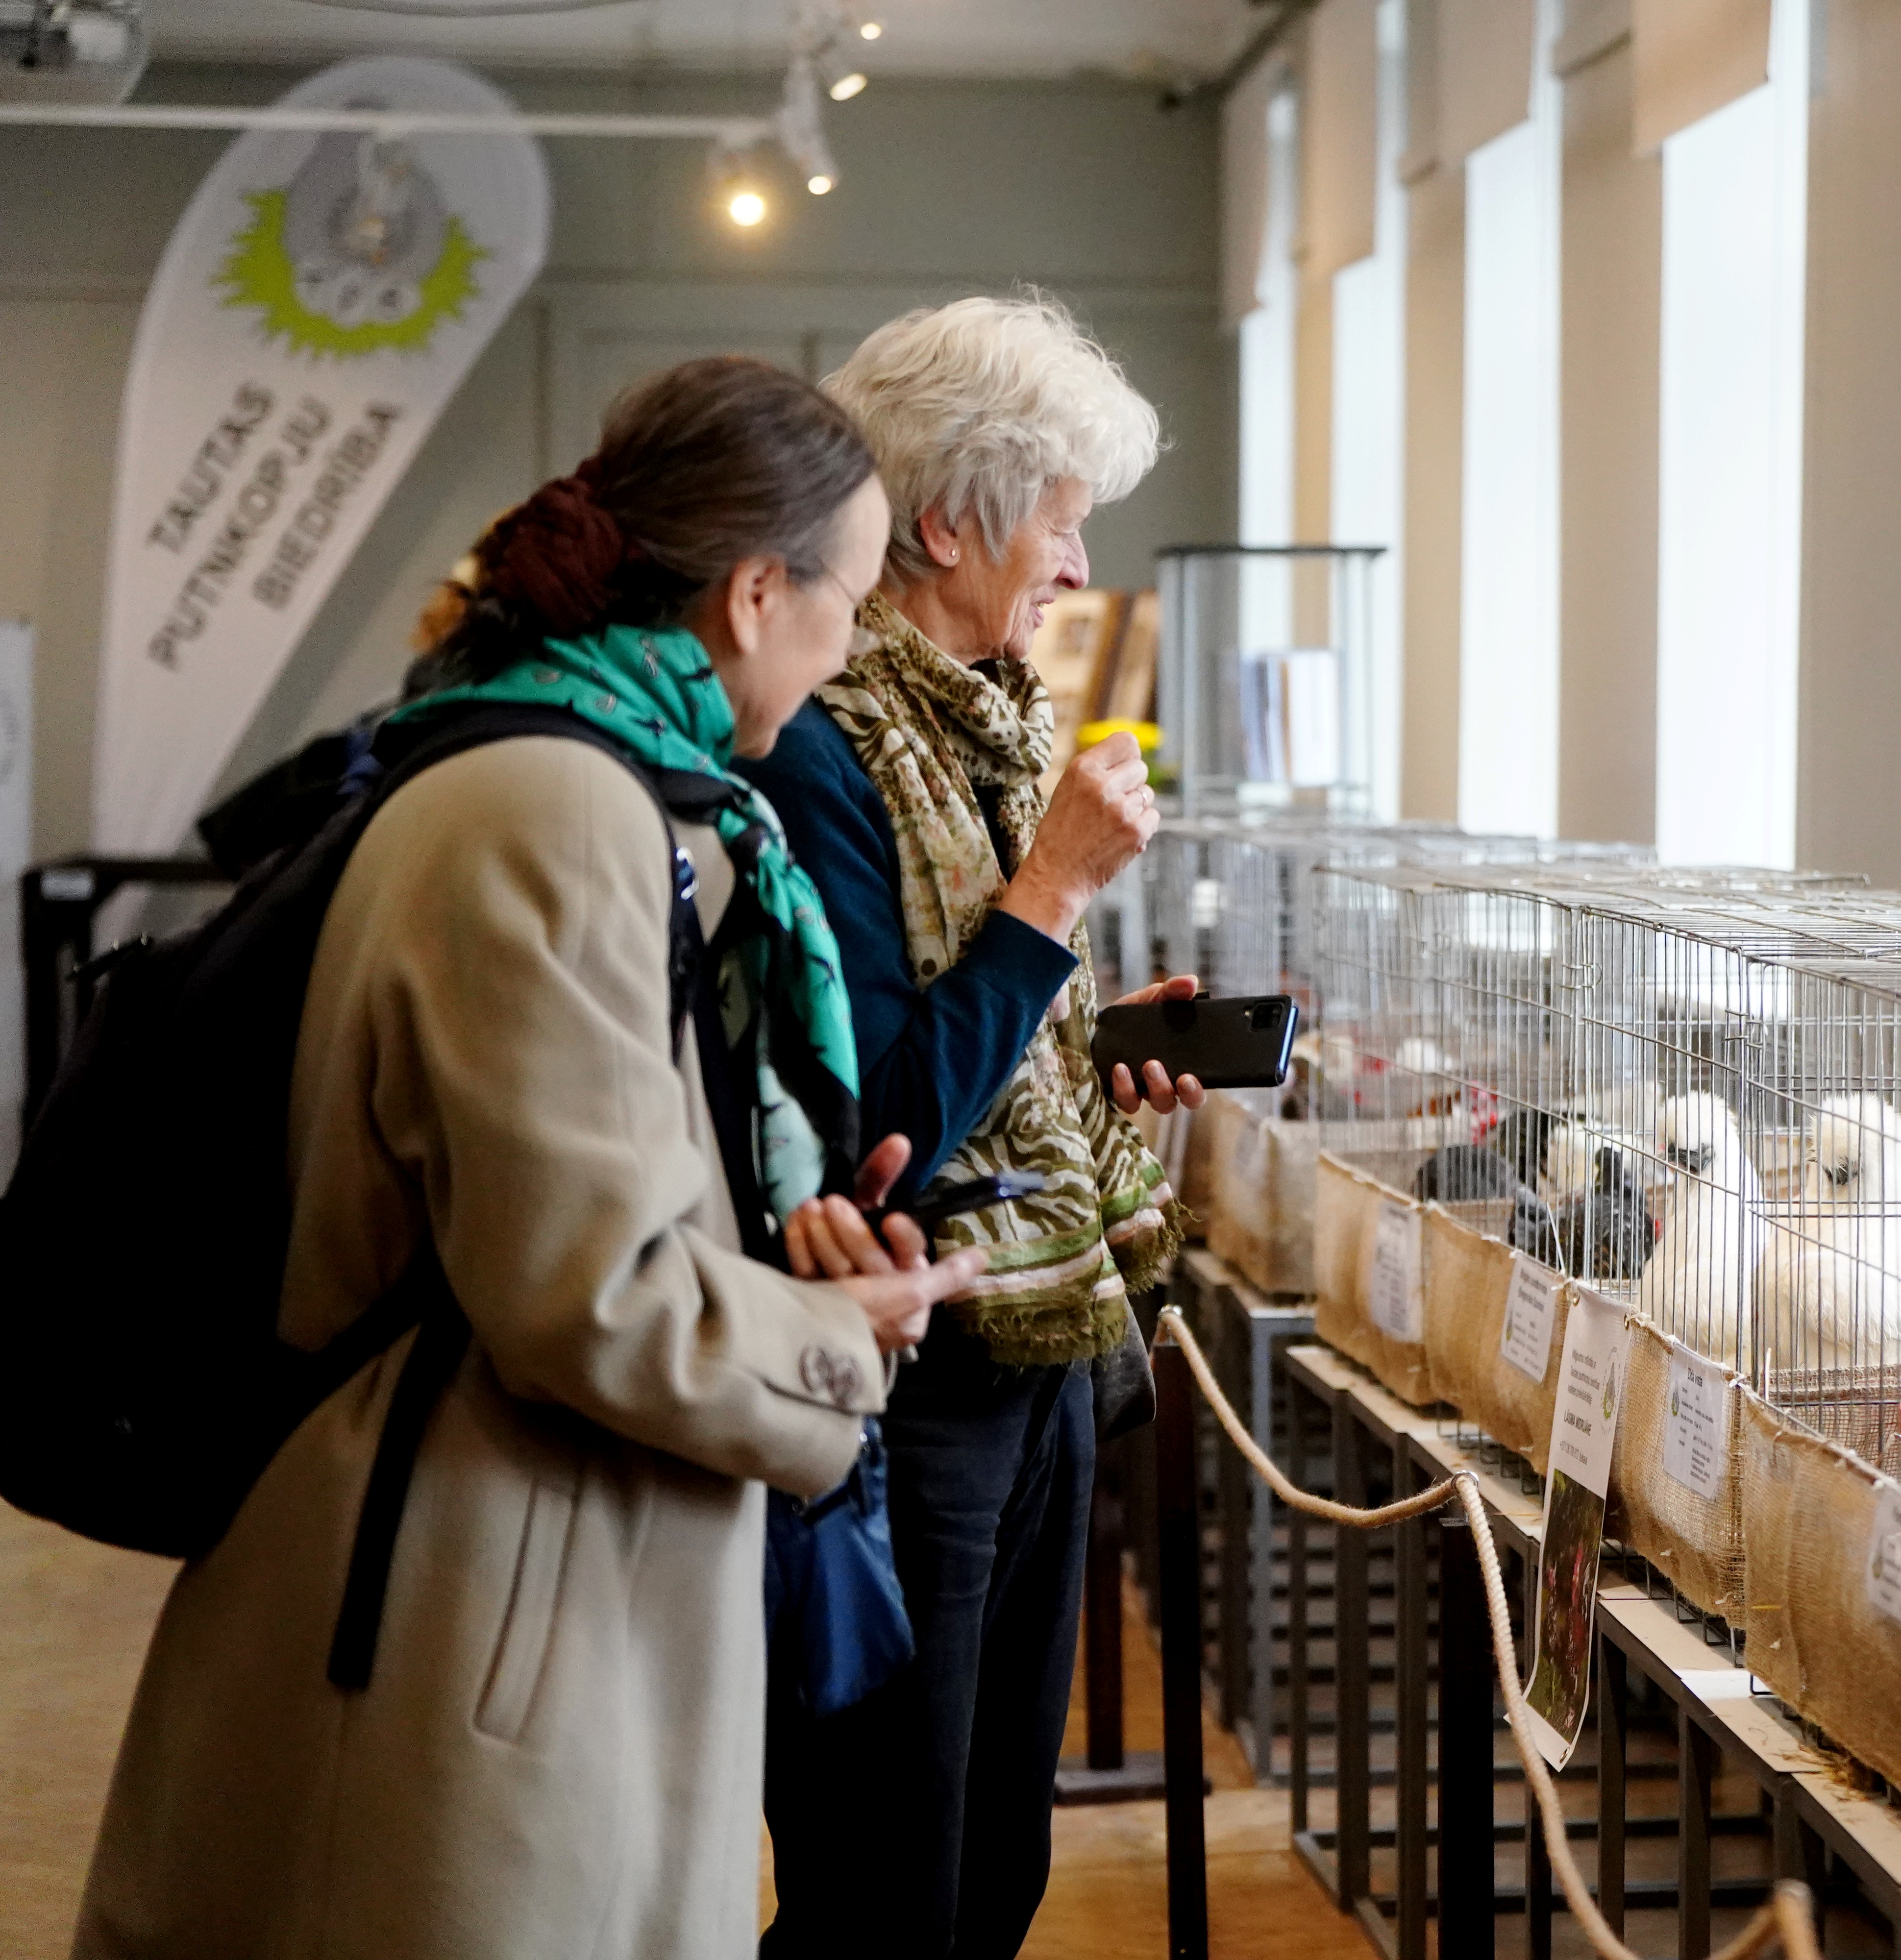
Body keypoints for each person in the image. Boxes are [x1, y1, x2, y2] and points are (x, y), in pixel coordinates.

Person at [75, 356, 986, 1960]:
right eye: (851, 601)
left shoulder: (571, 777)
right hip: (470, 1604)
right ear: (759, 592)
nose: (852, 650)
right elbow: (589, 1295)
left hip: (502, 1566)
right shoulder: (554, 809)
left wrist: (780, 1262)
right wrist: (839, 1341)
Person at [739, 295, 1200, 1960]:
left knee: (996, 1869)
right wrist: (1057, 894)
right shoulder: (827, 755)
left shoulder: (992, 721)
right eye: (1062, 521)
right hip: (911, 1381)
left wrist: (1099, 1044)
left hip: (1045, 1353)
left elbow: (997, 1033)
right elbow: (878, 1121)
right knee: (889, 1887)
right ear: (948, 524)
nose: (1078, 567)